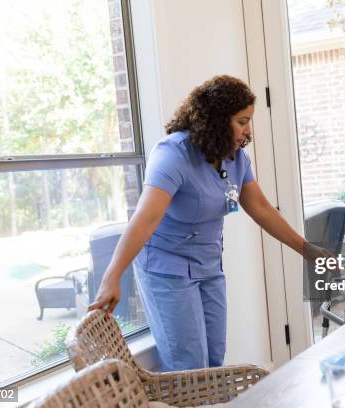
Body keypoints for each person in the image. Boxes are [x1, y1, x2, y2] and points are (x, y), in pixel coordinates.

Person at [88, 75, 328, 371]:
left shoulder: (235, 158)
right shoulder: (173, 154)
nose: (248, 130)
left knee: (214, 361)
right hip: (167, 269)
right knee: (189, 365)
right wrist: (112, 276)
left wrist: (307, 250)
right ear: (217, 119)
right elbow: (145, 218)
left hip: (209, 265)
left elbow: (262, 209)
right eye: (242, 121)